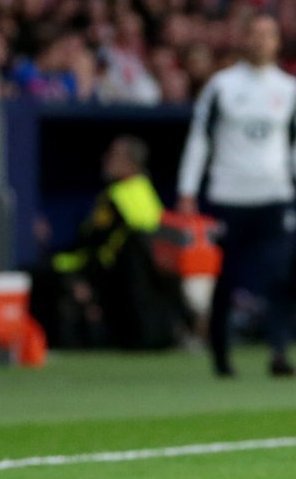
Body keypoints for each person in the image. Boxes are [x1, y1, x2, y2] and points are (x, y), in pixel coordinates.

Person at [176, 13, 296, 377]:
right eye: (255, 33)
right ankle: (220, 355)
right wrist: (187, 189)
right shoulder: (221, 86)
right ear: (243, 39)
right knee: (226, 278)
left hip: (274, 194)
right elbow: (200, 138)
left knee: (278, 275)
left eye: (268, 34)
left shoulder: (289, 87)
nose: (261, 41)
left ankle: (278, 352)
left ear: (277, 42)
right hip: (229, 195)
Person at [32, 136, 184, 350]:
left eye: (113, 155)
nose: (106, 159)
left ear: (130, 163)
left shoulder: (118, 197)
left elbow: (92, 243)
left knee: (34, 274)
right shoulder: (146, 192)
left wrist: (54, 254)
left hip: (107, 275)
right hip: (137, 287)